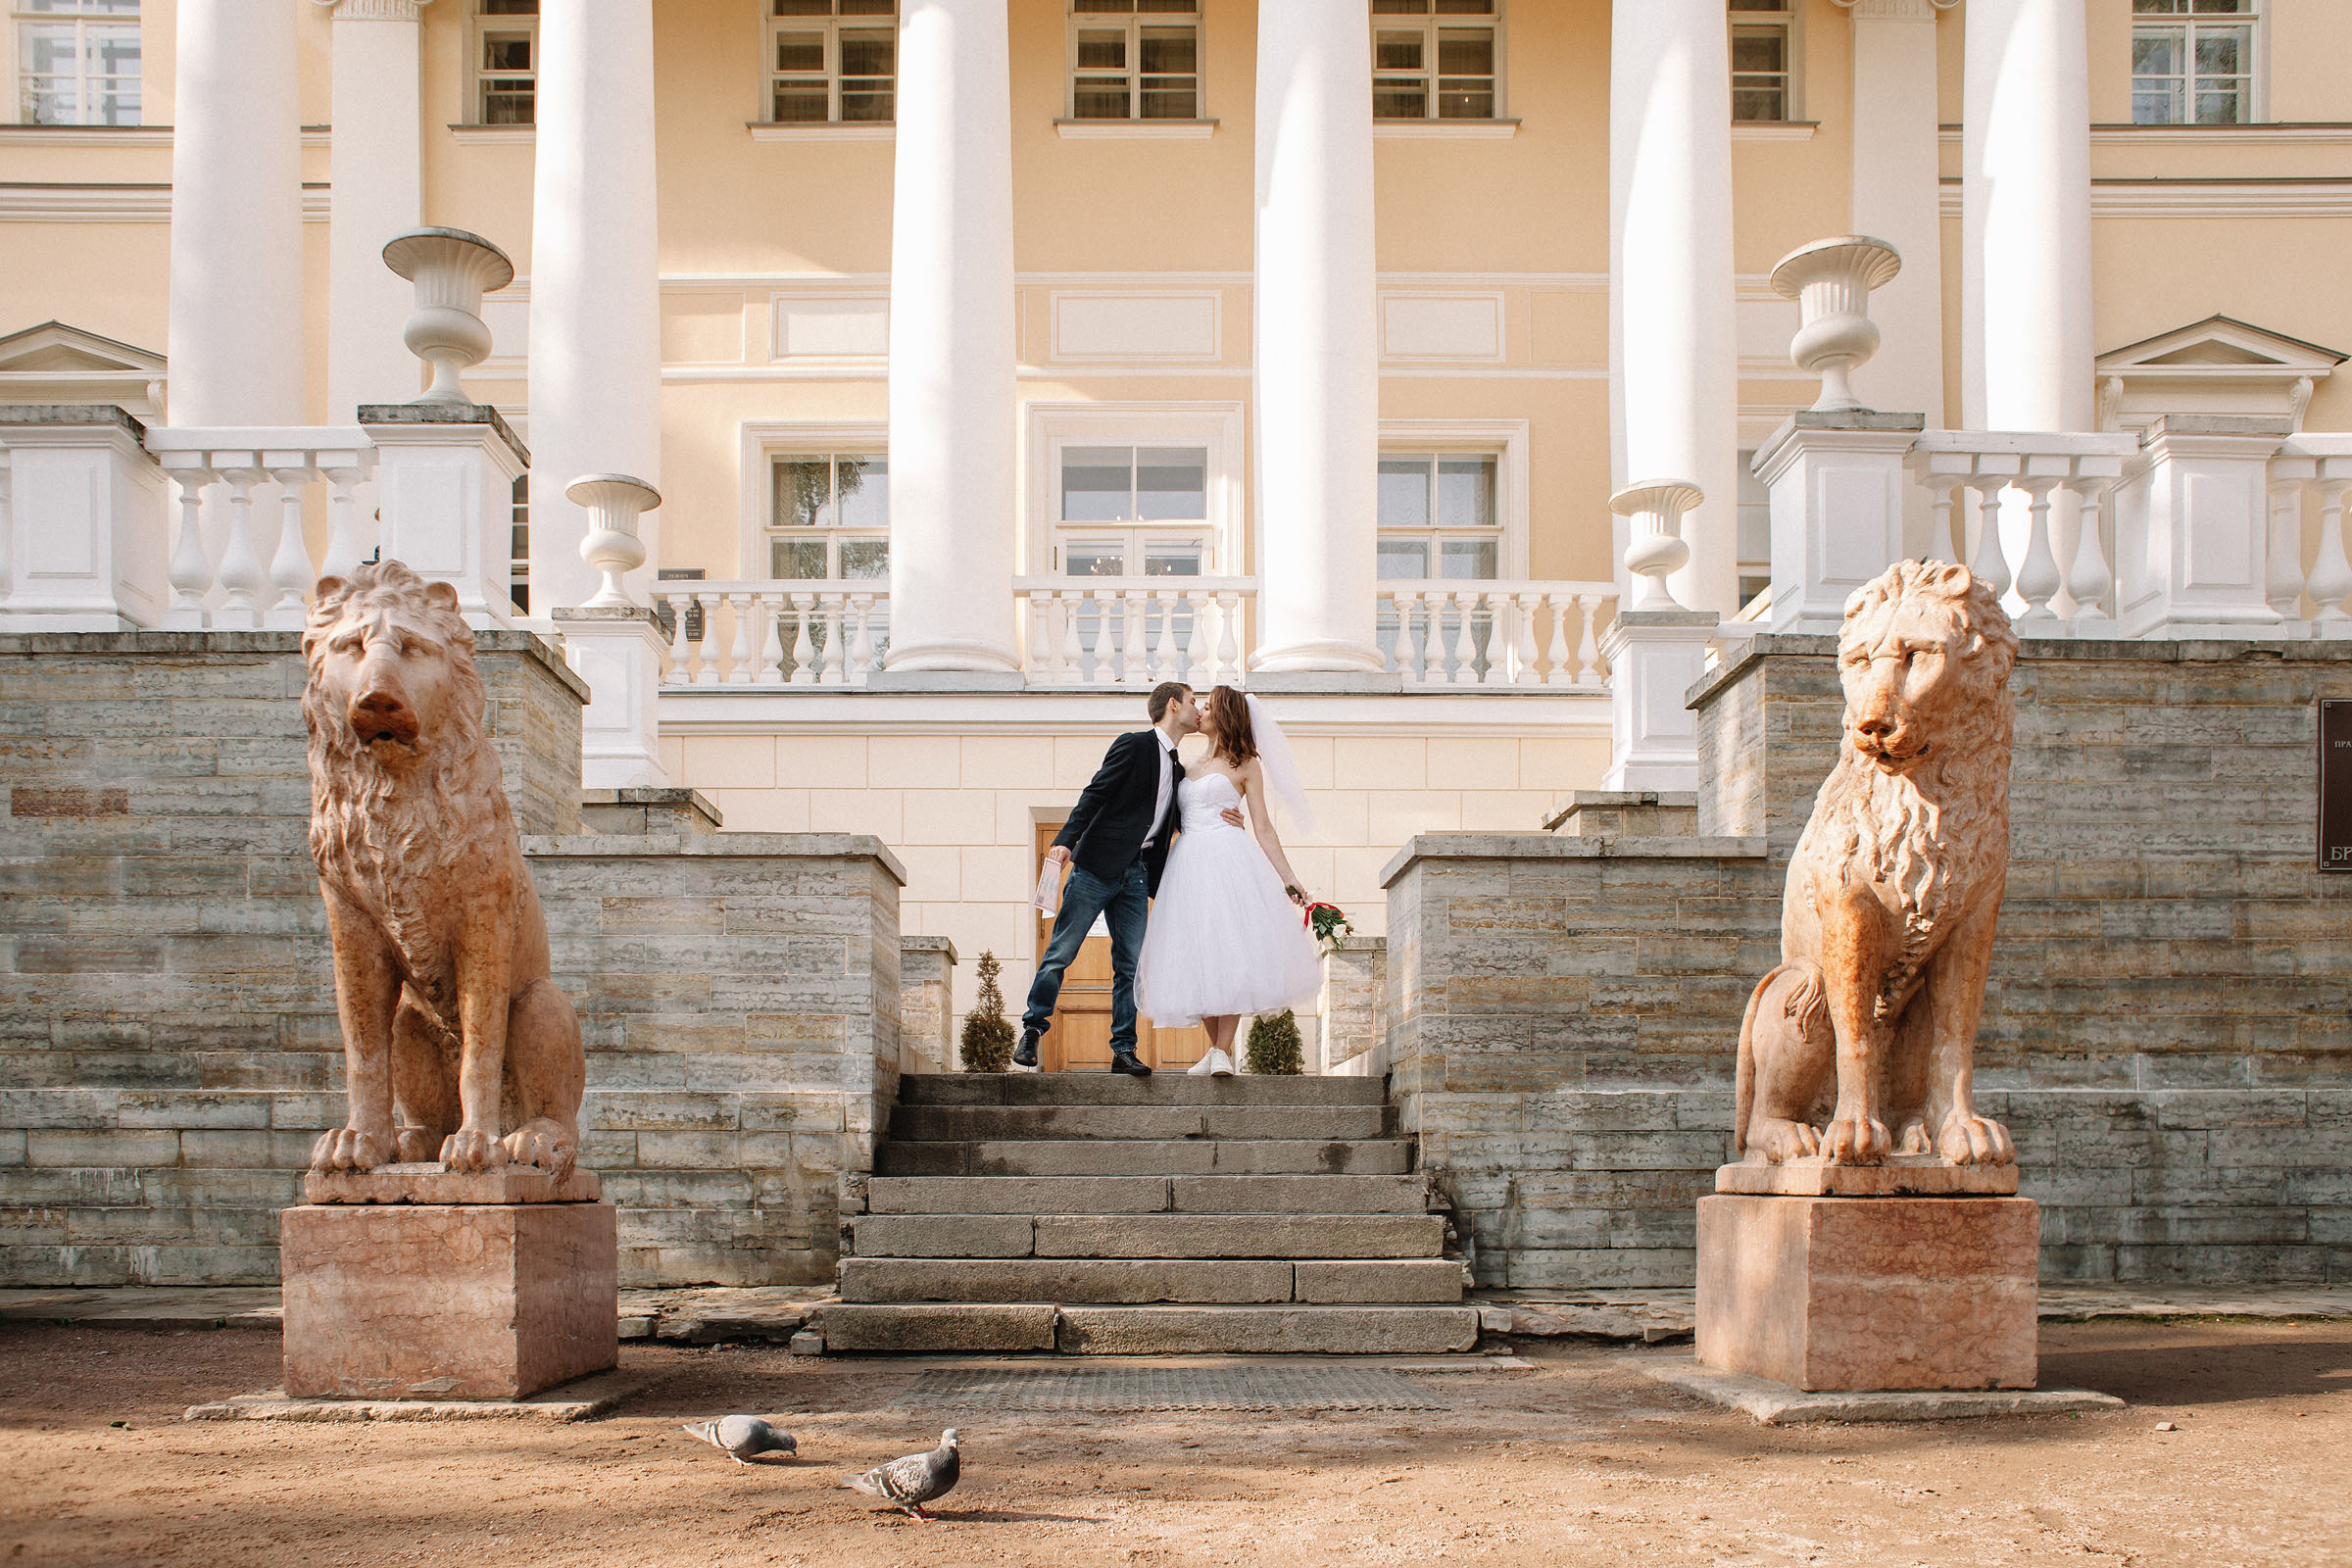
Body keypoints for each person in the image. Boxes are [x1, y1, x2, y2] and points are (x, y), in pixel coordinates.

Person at [1017, 682, 1243, 1076]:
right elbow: (1095, 794)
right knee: (1061, 952)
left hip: (1137, 876)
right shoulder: (1133, 745)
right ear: (1173, 705)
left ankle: (1123, 1050)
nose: (1198, 710)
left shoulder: (1179, 768)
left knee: (1130, 966)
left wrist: (1232, 815)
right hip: (1096, 867)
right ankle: (1033, 1028)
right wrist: (1065, 841)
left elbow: (1189, 815)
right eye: (1193, 702)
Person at [1135, 685, 1323, 1072]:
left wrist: (1290, 880)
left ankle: (1222, 1051)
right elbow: (1165, 816)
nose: (1200, 711)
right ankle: (1217, 1050)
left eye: (1208, 706)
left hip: (1228, 860)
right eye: (1198, 705)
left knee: (1231, 950)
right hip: (1187, 865)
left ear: (1226, 715)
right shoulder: (1183, 767)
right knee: (1195, 953)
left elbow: (1264, 827)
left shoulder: (1246, 764)